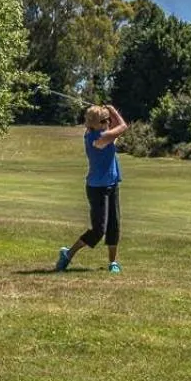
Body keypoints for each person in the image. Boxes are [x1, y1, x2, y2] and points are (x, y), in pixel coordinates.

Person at [55, 103, 127, 274]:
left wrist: (106, 113)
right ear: (96, 124)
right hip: (97, 188)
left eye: (107, 120)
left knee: (114, 225)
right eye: (104, 120)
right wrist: (113, 109)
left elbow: (116, 129)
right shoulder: (98, 139)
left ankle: (113, 262)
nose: (108, 122)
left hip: (112, 184)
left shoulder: (101, 134)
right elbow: (122, 127)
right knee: (98, 230)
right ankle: (68, 253)